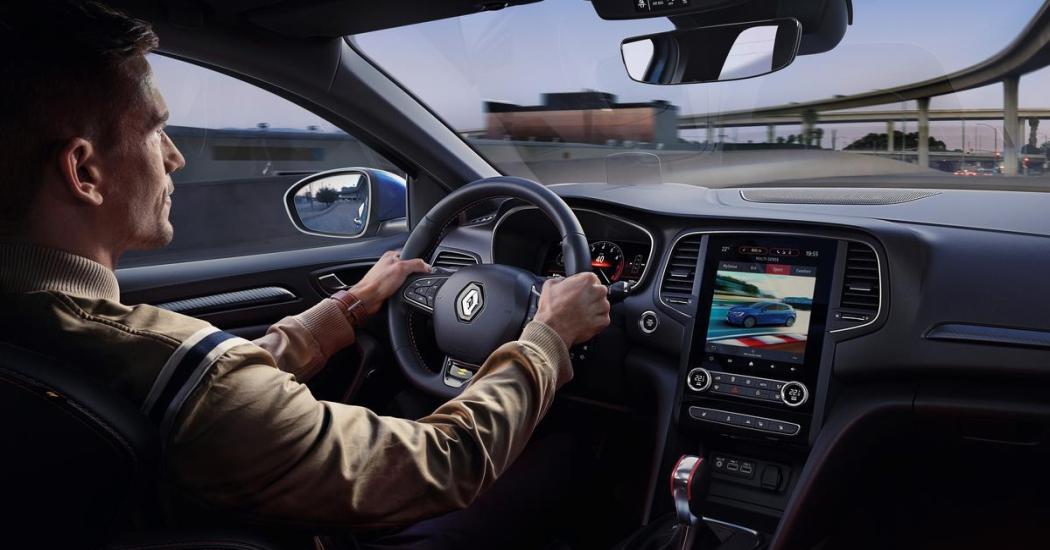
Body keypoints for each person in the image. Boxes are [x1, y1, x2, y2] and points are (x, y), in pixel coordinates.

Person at [0, 1, 611, 546]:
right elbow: (443, 464)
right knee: (567, 461)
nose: (176, 157)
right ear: (84, 172)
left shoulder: (62, 333)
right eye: (157, 130)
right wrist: (547, 339)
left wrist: (350, 306)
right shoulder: (180, 375)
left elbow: (218, 390)